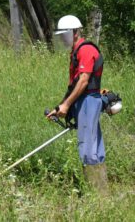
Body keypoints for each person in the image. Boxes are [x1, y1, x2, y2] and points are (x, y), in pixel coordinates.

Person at [46, 15, 108, 195]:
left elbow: (83, 82)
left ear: (74, 32)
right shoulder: (75, 52)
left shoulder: (86, 50)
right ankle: (102, 194)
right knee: (94, 147)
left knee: (88, 149)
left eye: (64, 34)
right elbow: (73, 86)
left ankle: (98, 195)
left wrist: (66, 106)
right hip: (83, 101)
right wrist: (61, 107)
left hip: (89, 100)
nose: (62, 38)